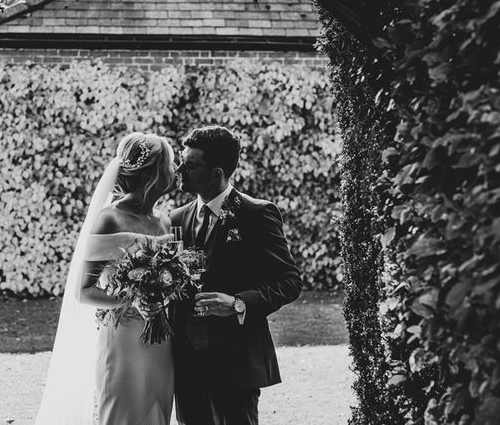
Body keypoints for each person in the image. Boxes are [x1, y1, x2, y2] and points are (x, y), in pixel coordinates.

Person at [34, 132, 177, 425]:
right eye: (170, 164)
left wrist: (163, 296)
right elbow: (83, 292)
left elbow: (172, 278)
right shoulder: (110, 218)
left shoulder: (165, 220)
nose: (174, 170)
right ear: (153, 172)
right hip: (123, 337)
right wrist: (134, 299)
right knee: (123, 412)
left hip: (161, 339)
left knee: (159, 409)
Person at [170, 125, 303, 425]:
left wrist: (237, 303)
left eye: (190, 165)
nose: (179, 170)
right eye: (181, 160)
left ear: (217, 173)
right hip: (187, 362)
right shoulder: (176, 219)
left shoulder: (256, 214)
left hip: (235, 362)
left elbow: (290, 281)